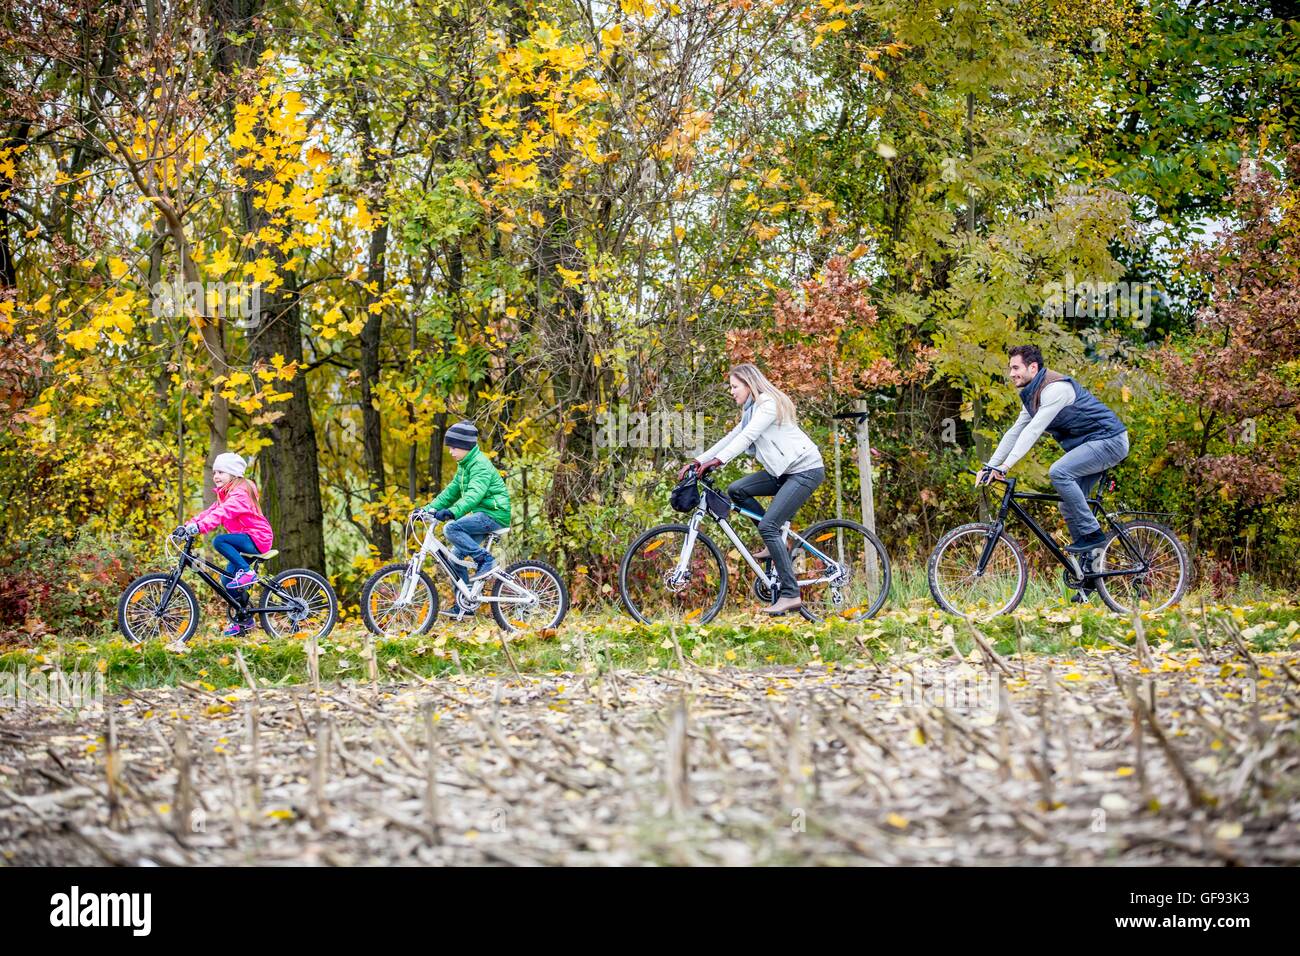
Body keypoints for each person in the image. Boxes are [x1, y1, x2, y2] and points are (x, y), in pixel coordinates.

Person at [679, 363, 825, 616]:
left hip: (805, 470)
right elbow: (731, 438)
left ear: (749, 385)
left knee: (769, 525)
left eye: (735, 387)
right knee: (737, 490)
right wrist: (699, 461)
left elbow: (746, 439)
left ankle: (790, 594)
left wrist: (718, 461)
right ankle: (777, 543)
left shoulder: (767, 405)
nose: (732, 391)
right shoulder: (749, 412)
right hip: (784, 471)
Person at [978, 344, 1129, 554]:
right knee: (1067, 506)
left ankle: (1093, 533)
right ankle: (1088, 572)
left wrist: (1005, 466)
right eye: (1010, 369)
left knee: (1059, 472)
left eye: (1015, 368)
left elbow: (1033, 431)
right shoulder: (1033, 398)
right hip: (1092, 444)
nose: (1011, 374)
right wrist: (990, 466)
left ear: (1032, 368)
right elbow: (1014, 432)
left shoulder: (1056, 389)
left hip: (1110, 440)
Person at [421, 421, 512, 621]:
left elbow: (473, 495)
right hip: (483, 514)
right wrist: (428, 509)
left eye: (453, 447)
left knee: (451, 528)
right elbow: (451, 491)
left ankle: (485, 560)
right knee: (455, 556)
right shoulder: (464, 465)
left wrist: (452, 513)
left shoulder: (479, 464)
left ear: (465, 446)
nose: (451, 452)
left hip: (494, 514)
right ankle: (466, 603)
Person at [180, 451, 274, 636]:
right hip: (245, 539)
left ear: (233, 474)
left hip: (257, 537)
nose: (216, 476)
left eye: (221, 472)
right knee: (227, 580)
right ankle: (244, 620)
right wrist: (189, 525)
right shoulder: (226, 495)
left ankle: (247, 573)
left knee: (219, 540)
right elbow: (212, 511)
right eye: (214, 472)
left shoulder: (240, 494)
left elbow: (222, 514)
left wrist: (200, 528)